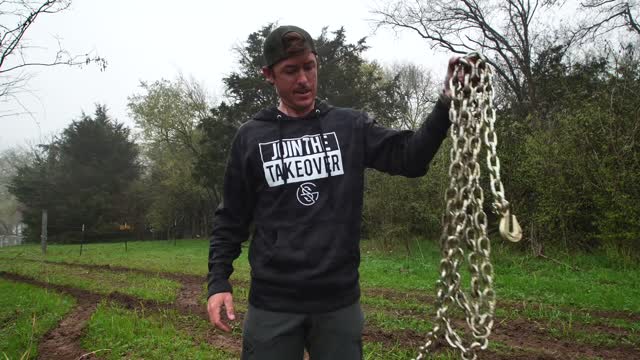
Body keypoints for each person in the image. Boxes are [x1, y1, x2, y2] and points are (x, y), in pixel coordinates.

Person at [207, 25, 456, 360]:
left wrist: (445, 105)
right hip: (273, 303)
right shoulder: (252, 137)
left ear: (317, 63)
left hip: (338, 303)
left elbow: (410, 157)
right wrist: (219, 281)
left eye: (309, 67)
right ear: (268, 74)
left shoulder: (348, 127)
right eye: (290, 71)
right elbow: (231, 217)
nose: (304, 80)